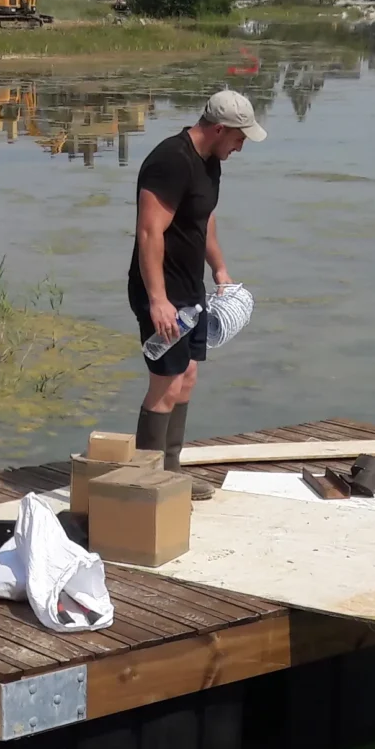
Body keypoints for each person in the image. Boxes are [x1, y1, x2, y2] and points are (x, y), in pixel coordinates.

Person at [127, 88, 265, 489]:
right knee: (166, 383)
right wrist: (158, 301)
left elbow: (206, 217)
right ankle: (147, 484)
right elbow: (149, 231)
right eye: (239, 138)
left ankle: (171, 475)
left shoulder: (210, 162)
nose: (241, 146)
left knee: (187, 376)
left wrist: (220, 270)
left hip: (192, 290)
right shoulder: (171, 161)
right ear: (219, 129)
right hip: (160, 291)